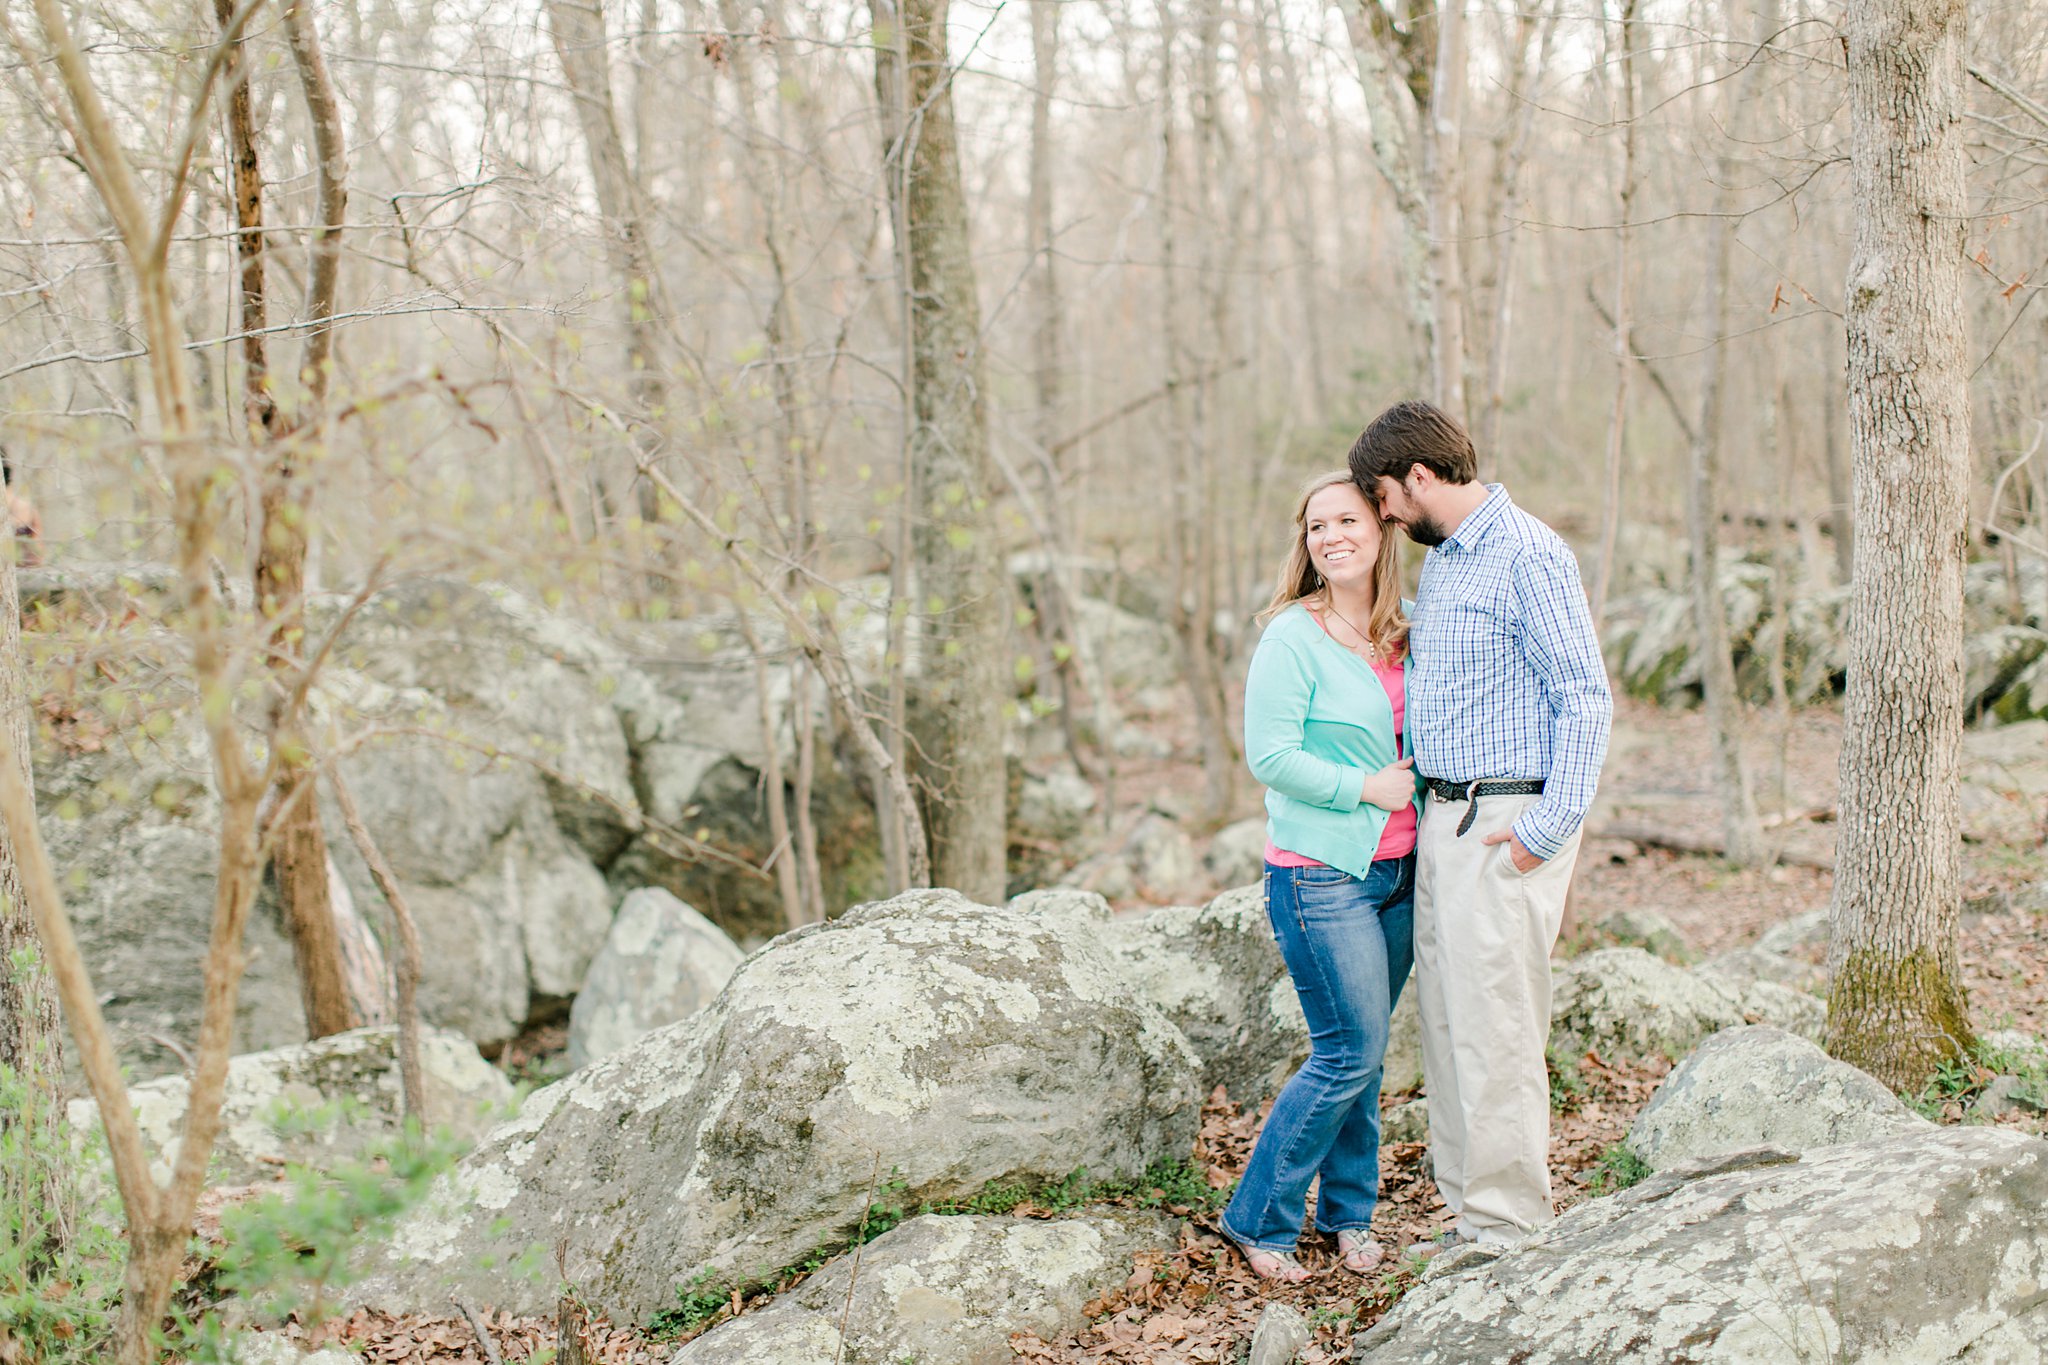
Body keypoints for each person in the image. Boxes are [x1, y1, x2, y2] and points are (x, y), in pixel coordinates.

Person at [1348, 401, 1611, 1252]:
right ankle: (1470, 1212)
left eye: (1384, 495)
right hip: (1444, 815)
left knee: (1497, 1021)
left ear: (1419, 476)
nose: (1385, 513)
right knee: (1451, 1020)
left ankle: (1509, 1227)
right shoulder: (1451, 563)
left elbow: (1584, 694)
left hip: (1507, 814)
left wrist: (1551, 823)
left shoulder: (1528, 552)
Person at [1218, 470, 1421, 1282]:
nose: (1331, 536)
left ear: (1381, 527)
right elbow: (1271, 756)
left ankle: (1349, 1215)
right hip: (1320, 876)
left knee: (1366, 1058)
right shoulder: (1291, 636)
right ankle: (1258, 1216)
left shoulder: (1405, 630)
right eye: (1315, 526)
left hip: (1402, 872)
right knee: (1348, 1051)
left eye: (1346, 519)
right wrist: (1364, 787)